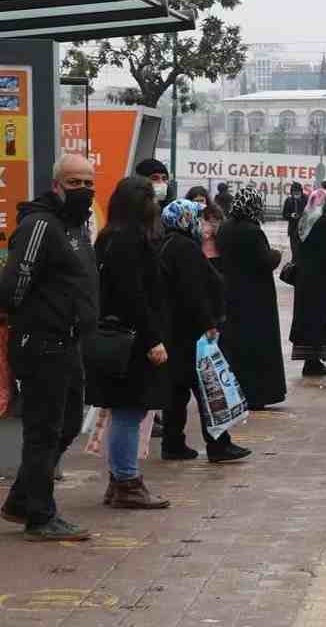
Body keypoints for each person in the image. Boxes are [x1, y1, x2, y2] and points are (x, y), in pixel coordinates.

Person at [0, 155, 99, 540]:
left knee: (70, 422)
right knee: (44, 430)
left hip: (68, 342)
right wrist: (36, 319)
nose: (83, 190)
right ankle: (40, 516)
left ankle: (22, 499)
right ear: (57, 184)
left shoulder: (75, 226)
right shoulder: (39, 225)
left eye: (88, 183)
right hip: (42, 343)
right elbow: (13, 287)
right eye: (75, 183)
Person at [87, 176, 171, 510]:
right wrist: (153, 339)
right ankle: (126, 482)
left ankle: (119, 480)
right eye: (151, 198)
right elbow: (134, 296)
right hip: (131, 341)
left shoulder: (108, 238)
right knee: (129, 410)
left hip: (115, 337)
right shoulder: (130, 242)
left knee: (124, 409)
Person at [158, 200, 252, 463]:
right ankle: (218, 445)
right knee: (208, 389)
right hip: (191, 331)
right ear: (185, 219)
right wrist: (208, 323)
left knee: (178, 390)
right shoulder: (185, 248)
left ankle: (173, 442)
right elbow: (194, 291)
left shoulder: (166, 244)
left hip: (173, 330)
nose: (203, 225)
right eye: (198, 218)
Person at [217, 187, 288, 409]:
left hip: (231, 294)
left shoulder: (225, 228)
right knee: (257, 346)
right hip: (255, 297)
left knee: (235, 346)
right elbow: (265, 261)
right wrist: (276, 254)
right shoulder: (252, 231)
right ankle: (257, 394)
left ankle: (235, 393)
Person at [290, 188, 326, 377]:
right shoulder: (324, 223)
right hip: (319, 279)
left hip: (303, 278)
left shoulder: (304, 220)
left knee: (306, 318)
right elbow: (325, 254)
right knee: (319, 319)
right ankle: (314, 362)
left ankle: (309, 361)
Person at [282, 182, 306, 259]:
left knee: (303, 250)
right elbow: (284, 215)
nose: (296, 194)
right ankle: (295, 262)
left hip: (304, 229)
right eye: (294, 192)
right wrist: (291, 215)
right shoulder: (288, 200)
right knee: (294, 249)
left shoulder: (306, 199)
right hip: (293, 229)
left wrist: (302, 215)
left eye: (298, 192)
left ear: (301, 191)